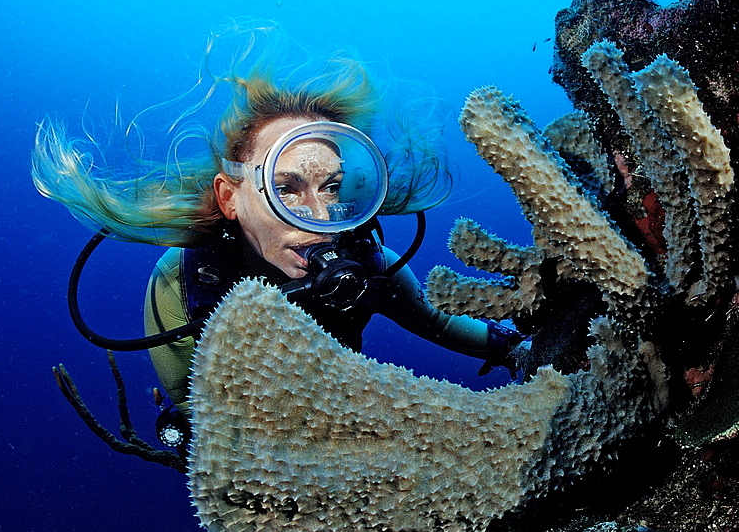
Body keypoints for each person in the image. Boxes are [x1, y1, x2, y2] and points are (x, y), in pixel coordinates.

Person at [32, 28, 528, 447]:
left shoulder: (370, 265)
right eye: (286, 188)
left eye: (331, 187)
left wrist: (523, 350)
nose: (318, 215)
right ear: (231, 197)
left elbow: (441, 325)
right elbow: (199, 415)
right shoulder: (181, 285)